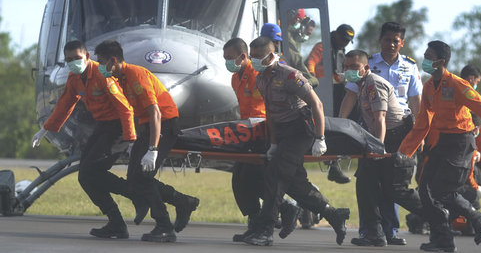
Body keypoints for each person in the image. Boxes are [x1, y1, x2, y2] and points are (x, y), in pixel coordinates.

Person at [397, 40, 481, 252]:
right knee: (425, 190)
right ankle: (442, 239)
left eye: (428, 57)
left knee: (442, 191)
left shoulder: (457, 84)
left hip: (462, 143)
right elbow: (422, 124)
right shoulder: (428, 87)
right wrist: (404, 152)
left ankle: (478, 218)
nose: (424, 60)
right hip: (443, 142)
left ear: (441, 61)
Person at [31, 40, 146, 239]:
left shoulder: (102, 75)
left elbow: (124, 108)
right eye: (68, 60)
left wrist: (130, 139)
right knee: (85, 177)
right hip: (102, 127)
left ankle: (136, 197)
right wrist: (45, 129)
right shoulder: (74, 78)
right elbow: (64, 104)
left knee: (90, 172)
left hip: (118, 127)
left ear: (87, 57)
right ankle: (118, 222)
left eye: (77, 58)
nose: (73, 62)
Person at [243, 36, 349, 246]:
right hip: (281, 132)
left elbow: (316, 105)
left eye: (258, 57)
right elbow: (271, 113)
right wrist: (273, 143)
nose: (253, 61)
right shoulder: (261, 78)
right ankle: (333, 214)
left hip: (301, 130)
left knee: (276, 174)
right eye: (252, 56)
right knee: (294, 181)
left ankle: (265, 230)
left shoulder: (291, 75)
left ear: (271, 56)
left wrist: (320, 138)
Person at [94, 40, 199, 242]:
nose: (99, 66)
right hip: (148, 127)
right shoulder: (121, 79)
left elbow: (155, 113)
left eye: (101, 62)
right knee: (134, 180)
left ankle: (164, 226)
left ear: (113, 61)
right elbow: (137, 112)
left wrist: (152, 149)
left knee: (143, 178)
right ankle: (183, 201)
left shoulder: (136, 75)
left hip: (165, 125)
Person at [340, 50, 424, 247]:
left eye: (354, 67)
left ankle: (438, 216)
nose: (349, 71)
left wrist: (378, 148)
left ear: (366, 68)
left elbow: (380, 119)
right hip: (382, 137)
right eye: (346, 67)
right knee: (367, 184)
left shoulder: (373, 84)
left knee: (395, 190)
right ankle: (374, 234)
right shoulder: (361, 85)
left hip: (395, 138)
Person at [223, 37, 300, 242]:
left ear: (243, 56)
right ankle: (256, 222)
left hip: (266, 132)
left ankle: (284, 208)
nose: (227, 62)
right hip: (247, 133)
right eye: (224, 58)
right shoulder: (235, 79)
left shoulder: (259, 74)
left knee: (254, 178)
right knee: (239, 180)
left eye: (230, 58)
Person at [305, 24, 356, 184]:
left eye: (348, 41)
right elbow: (310, 64)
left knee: (338, 129)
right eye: (343, 39)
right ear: (335, 35)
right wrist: (313, 82)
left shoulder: (342, 52)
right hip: (323, 94)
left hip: (339, 93)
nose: (344, 43)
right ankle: (332, 166)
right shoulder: (321, 47)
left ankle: (334, 166)